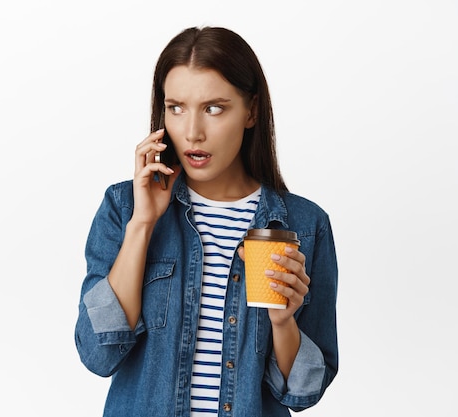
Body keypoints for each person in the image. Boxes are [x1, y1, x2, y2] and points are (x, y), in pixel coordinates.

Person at [74, 26, 339, 417]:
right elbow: (98, 354)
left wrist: (284, 323)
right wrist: (143, 224)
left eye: (214, 108)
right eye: (176, 107)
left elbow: (304, 391)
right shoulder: (123, 207)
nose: (192, 132)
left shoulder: (304, 225)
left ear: (250, 110)